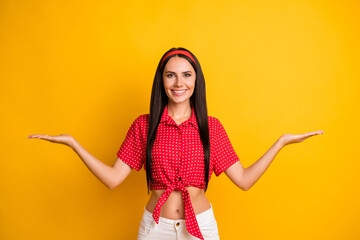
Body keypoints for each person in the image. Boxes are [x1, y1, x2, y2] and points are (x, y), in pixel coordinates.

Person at [28, 47, 324, 240]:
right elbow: (113, 179)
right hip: (155, 229)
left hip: (201, 229)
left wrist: (280, 143)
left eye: (186, 75)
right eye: (171, 75)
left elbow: (244, 180)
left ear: (196, 81)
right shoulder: (145, 125)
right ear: (162, 81)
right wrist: (73, 144)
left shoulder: (211, 127)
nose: (178, 83)